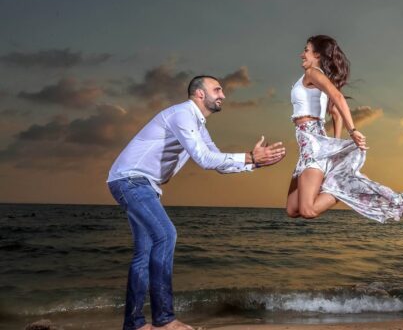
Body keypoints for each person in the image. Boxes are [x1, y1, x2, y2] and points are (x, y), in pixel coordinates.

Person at [107, 75, 286, 330]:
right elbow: (203, 158)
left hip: (139, 184)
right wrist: (248, 156)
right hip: (131, 181)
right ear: (200, 94)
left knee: (144, 253)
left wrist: (254, 163)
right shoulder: (183, 114)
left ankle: (134, 324)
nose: (223, 95)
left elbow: (215, 161)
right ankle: (165, 320)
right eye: (217, 89)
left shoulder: (199, 125)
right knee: (166, 235)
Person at [285, 35, 403, 223]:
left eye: (306, 50)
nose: (301, 54)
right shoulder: (312, 77)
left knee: (308, 210)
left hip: (313, 144)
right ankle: (339, 178)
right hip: (308, 144)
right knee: (292, 210)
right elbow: (334, 112)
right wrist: (333, 150)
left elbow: (338, 99)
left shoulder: (313, 73)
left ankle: (344, 184)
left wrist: (352, 131)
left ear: (317, 55)